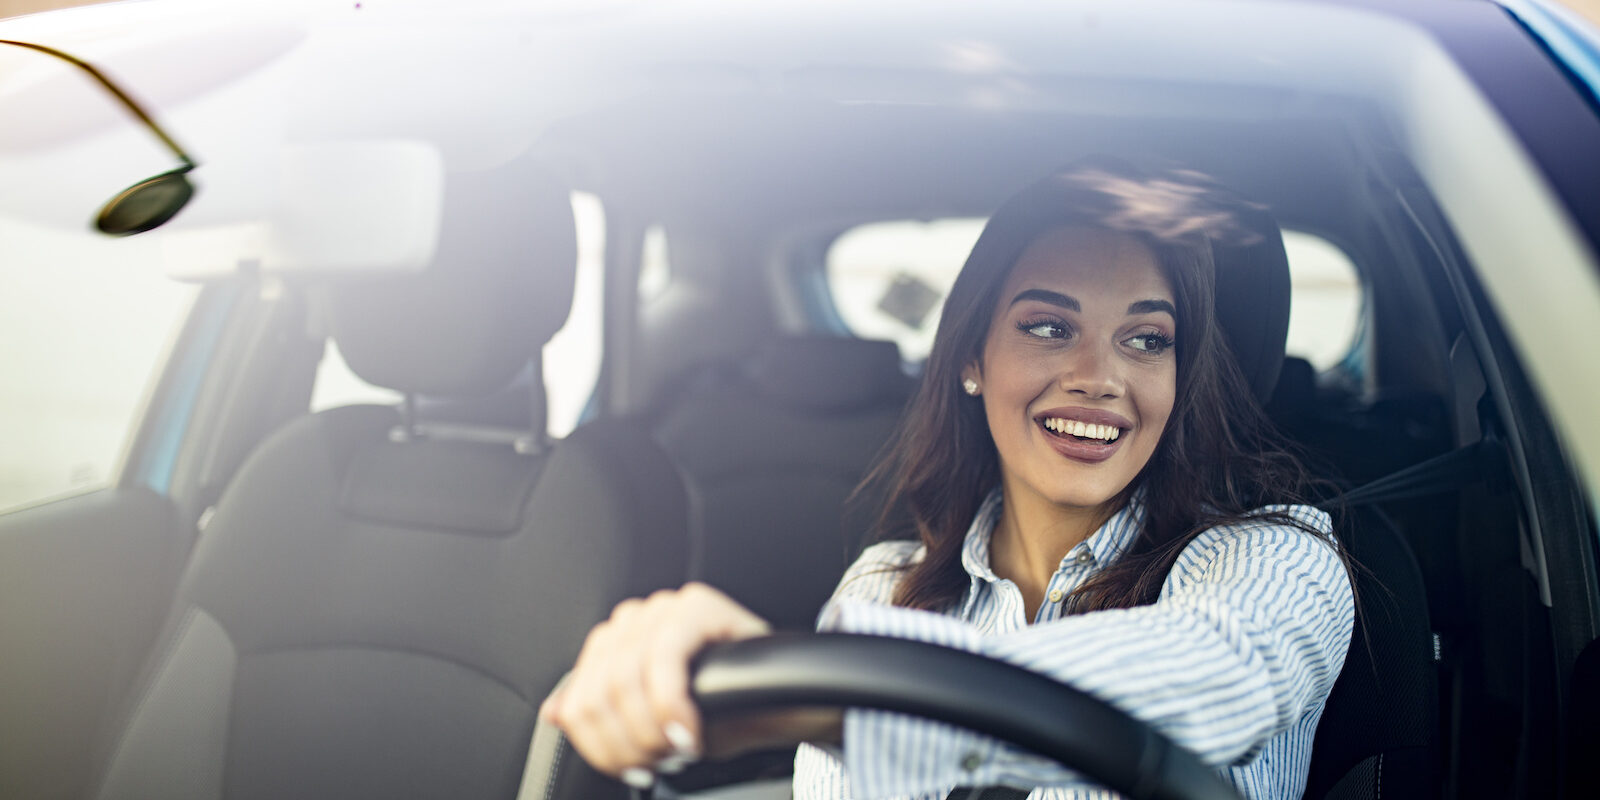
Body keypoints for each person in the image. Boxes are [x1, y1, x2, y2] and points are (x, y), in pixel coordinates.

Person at [539, 159, 1355, 799]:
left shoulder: (1278, 560)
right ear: (971, 357)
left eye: (1146, 341)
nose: (1098, 377)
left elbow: (1224, 677)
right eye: (1048, 326)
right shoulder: (885, 589)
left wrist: (838, 698)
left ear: (1181, 381)